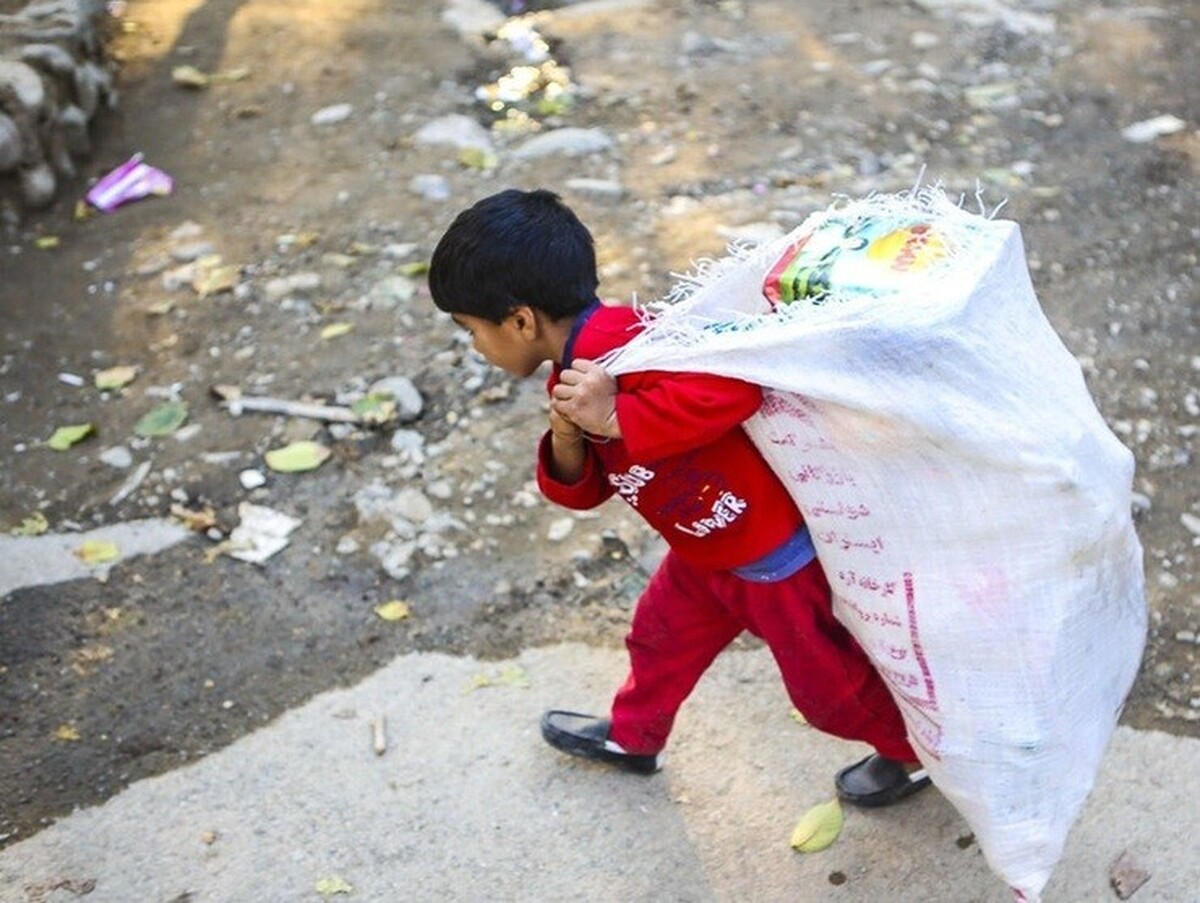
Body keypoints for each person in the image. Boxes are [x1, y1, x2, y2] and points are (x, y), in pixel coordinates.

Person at [428, 187, 930, 808]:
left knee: (832, 695)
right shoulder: (573, 374)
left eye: (472, 330)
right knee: (658, 639)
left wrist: (615, 417)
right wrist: (569, 436)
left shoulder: (634, 344)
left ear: (521, 320)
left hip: (774, 564)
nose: (476, 347)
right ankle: (633, 738)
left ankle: (916, 753)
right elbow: (584, 491)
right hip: (701, 552)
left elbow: (732, 392)